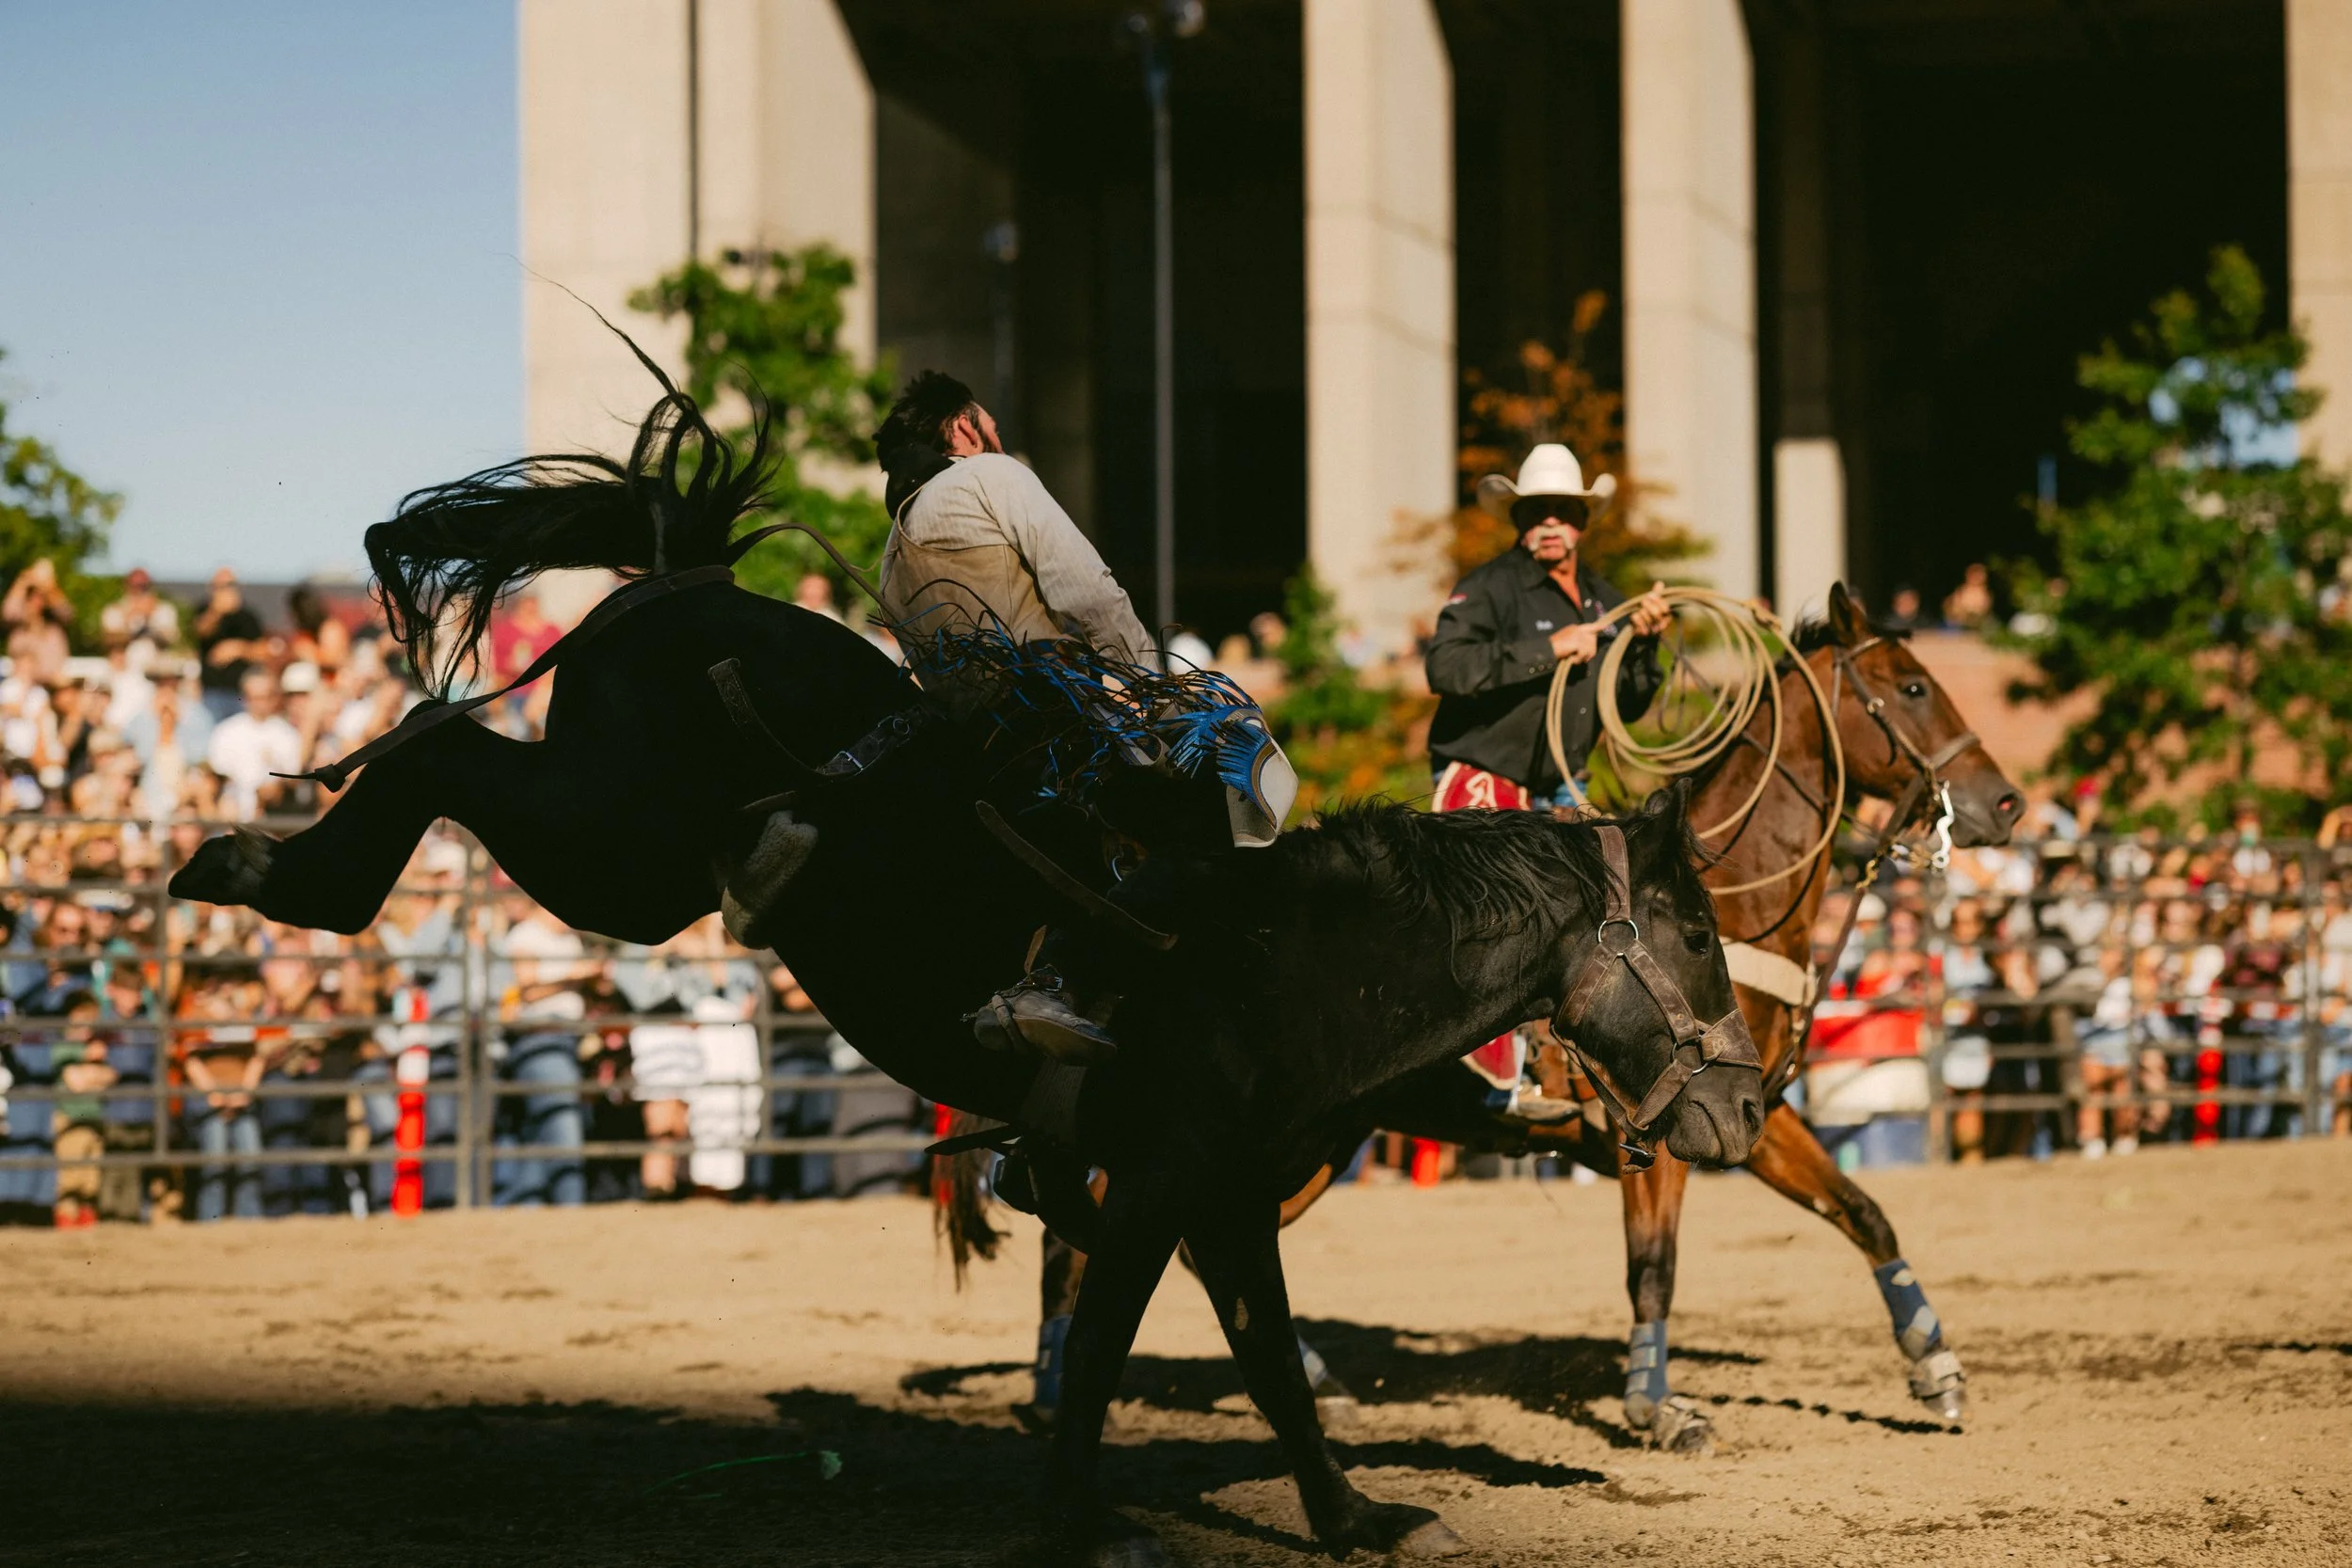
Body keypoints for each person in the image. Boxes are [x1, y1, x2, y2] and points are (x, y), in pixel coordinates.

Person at [1422, 443, 1669, 1122]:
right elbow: (1445, 667)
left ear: (1583, 522)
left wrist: (1644, 642)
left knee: (1609, 914)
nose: (1551, 523)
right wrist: (1547, 650)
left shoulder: (1603, 599)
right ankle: (1492, 1080)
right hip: (1487, 781)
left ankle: (1586, 1071)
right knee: (1499, 919)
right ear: (1520, 520)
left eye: (1564, 511)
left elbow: (1632, 695)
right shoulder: (1491, 586)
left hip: (1564, 784)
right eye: (1538, 512)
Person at [206, 670, 303, 819]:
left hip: (273, 817)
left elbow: (293, 777)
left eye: (265, 697)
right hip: (232, 814)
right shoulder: (226, 731)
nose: (260, 704)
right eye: (254, 698)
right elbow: (218, 775)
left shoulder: (287, 734)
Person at [193, 567, 272, 723]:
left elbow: (264, 651)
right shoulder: (203, 611)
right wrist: (217, 611)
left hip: (241, 694)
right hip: (211, 693)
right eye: (221, 586)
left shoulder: (248, 616)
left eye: (230, 585)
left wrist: (239, 648)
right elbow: (200, 631)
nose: (226, 591)